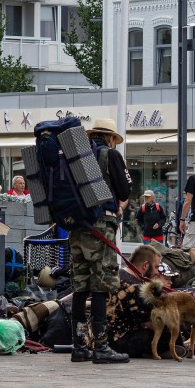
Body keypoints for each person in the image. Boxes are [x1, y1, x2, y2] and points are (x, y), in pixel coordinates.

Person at [66, 117, 132, 364]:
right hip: (100, 227)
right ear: (112, 137)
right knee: (101, 286)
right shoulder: (109, 155)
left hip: (76, 227)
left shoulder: (77, 157)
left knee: (80, 288)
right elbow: (125, 191)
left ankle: (79, 345)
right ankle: (101, 345)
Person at [106, 244, 175, 358]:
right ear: (145, 265)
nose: (157, 272)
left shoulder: (117, 275)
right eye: (156, 267)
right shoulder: (137, 288)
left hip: (98, 339)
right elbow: (151, 324)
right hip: (116, 342)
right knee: (167, 333)